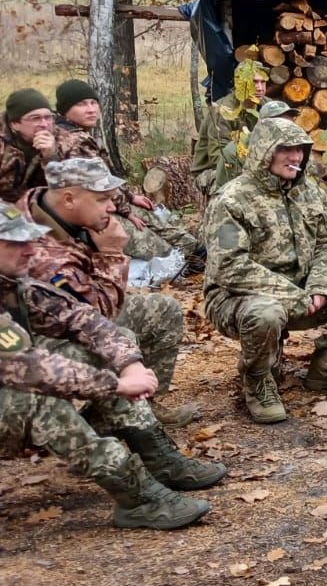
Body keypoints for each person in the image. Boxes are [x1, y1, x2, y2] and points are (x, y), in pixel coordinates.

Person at [0, 203, 223, 528]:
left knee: (101, 351)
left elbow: (84, 318)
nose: (31, 250)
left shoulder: (12, 283)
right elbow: (27, 367)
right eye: (16, 243)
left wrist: (128, 364)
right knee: (37, 398)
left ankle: (157, 457)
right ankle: (138, 497)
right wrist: (116, 385)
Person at [203, 120, 327, 422]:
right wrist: (295, 296)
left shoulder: (308, 191)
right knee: (266, 313)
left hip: (305, 290)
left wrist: (321, 287)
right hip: (236, 299)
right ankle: (258, 381)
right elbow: (230, 268)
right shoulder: (232, 199)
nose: (295, 157)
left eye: (300, 149)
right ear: (264, 152)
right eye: (285, 149)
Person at [16, 158, 196, 427]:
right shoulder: (41, 254)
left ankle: (143, 402)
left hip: (69, 319)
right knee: (122, 337)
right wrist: (111, 253)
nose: (111, 207)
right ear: (68, 199)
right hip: (31, 348)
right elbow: (99, 316)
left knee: (162, 309)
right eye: (102, 200)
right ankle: (105, 423)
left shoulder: (51, 208)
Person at [51, 79, 203, 266]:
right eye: (81, 104)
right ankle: (188, 260)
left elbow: (106, 180)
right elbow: (98, 187)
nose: (91, 109)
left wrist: (129, 197)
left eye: (93, 103)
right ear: (65, 109)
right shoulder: (74, 141)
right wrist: (126, 211)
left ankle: (195, 251)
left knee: (151, 214)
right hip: (91, 215)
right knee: (158, 248)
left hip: (106, 204)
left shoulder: (71, 132)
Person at [194, 61, 269, 196]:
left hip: (254, 165)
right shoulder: (223, 111)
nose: (259, 88)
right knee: (238, 190)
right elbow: (219, 158)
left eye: (262, 82)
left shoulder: (268, 106)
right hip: (214, 171)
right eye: (254, 82)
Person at [0, 87, 57, 202]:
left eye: (48, 117)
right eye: (35, 118)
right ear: (15, 124)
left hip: (39, 207)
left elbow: (69, 189)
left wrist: (50, 158)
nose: (44, 124)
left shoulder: (65, 139)